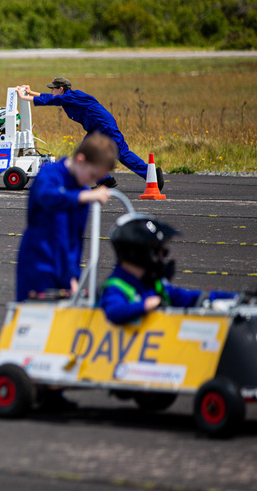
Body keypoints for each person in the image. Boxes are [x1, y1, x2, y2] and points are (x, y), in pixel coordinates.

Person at [16, 133, 117, 302]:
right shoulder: (50, 173)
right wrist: (83, 197)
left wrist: (71, 277)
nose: (93, 183)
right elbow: (48, 196)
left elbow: (74, 240)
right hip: (39, 263)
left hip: (64, 268)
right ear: (80, 160)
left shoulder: (81, 189)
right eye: (92, 175)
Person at [17, 78, 162, 190]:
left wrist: (24, 98)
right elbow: (51, 98)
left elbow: (50, 100)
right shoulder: (67, 97)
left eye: (53, 89)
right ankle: (105, 180)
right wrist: (30, 93)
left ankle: (152, 176)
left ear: (61, 89)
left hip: (104, 127)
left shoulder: (70, 97)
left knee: (121, 154)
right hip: (96, 128)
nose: (51, 91)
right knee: (85, 154)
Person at [99, 214, 237, 325]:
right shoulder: (115, 287)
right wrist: (148, 305)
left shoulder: (153, 285)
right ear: (140, 253)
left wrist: (235, 298)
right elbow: (114, 312)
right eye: (161, 252)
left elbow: (189, 298)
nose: (163, 258)